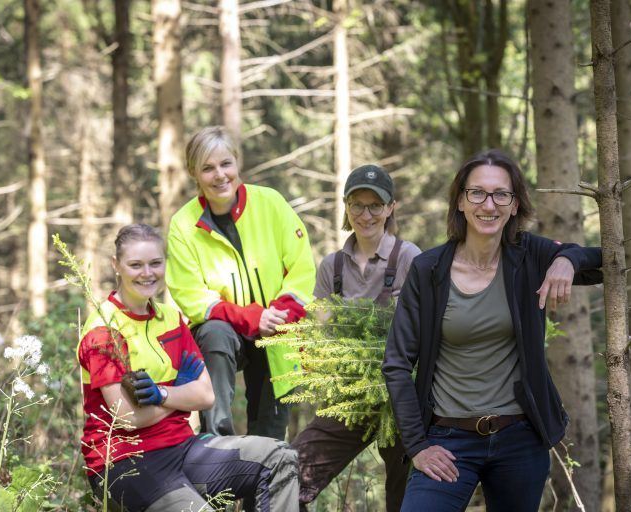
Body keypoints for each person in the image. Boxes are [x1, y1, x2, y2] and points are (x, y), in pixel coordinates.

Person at [382, 149, 603, 512]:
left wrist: (566, 259)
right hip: (448, 439)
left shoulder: (529, 255)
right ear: (461, 202)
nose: (489, 204)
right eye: (478, 193)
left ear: (515, 205)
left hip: (519, 439)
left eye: (501, 194)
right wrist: (418, 447)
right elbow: (396, 363)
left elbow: (604, 260)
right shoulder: (429, 270)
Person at [78, 224, 299, 512]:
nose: (147, 273)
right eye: (135, 265)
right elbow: (128, 417)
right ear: (116, 266)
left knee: (279, 458)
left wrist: (161, 395)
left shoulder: (171, 318)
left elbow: (206, 396)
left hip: (183, 449)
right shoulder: (104, 329)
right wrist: (180, 394)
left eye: (155, 263)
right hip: (125, 463)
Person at [166, 126, 316, 441]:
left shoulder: (271, 203)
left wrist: (281, 314)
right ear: (195, 173)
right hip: (225, 331)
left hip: (277, 328)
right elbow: (190, 295)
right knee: (215, 332)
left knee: (270, 438)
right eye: (208, 168)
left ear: (237, 163)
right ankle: (216, 446)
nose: (220, 175)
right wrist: (250, 317)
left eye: (225, 164)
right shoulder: (183, 225)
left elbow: (301, 266)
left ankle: (262, 473)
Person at [291, 164, 421, 512]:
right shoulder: (331, 266)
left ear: (391, 207)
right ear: (346, 207)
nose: (366, 214)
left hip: (402, 400)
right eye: (357, 205)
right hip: (351, 398)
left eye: (375, 205)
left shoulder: (409, 257)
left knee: (408, 495)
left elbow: (427, 327)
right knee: (289, 473)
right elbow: (318, 332)